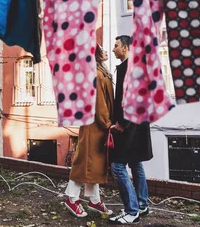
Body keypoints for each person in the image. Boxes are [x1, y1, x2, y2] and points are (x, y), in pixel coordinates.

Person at [64, 45, 114, 218]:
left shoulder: (98, 70)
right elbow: (99, 101)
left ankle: (94, 199)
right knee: (84, 162)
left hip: (95, 124)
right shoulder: (95, 73)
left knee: (94, 164)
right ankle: (71, 198)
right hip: (95, 124)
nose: (107, 52)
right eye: (104, 50)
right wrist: (106, 122)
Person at [109, 35, 153, 224]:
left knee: (117, 166)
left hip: (129, 127)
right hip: (139, 125)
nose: (113, 49)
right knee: (135, 163)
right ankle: (142, 205)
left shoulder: (129, 68)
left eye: (116, 46)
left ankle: (132, 210)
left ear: (125, 48)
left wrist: (121, 124)